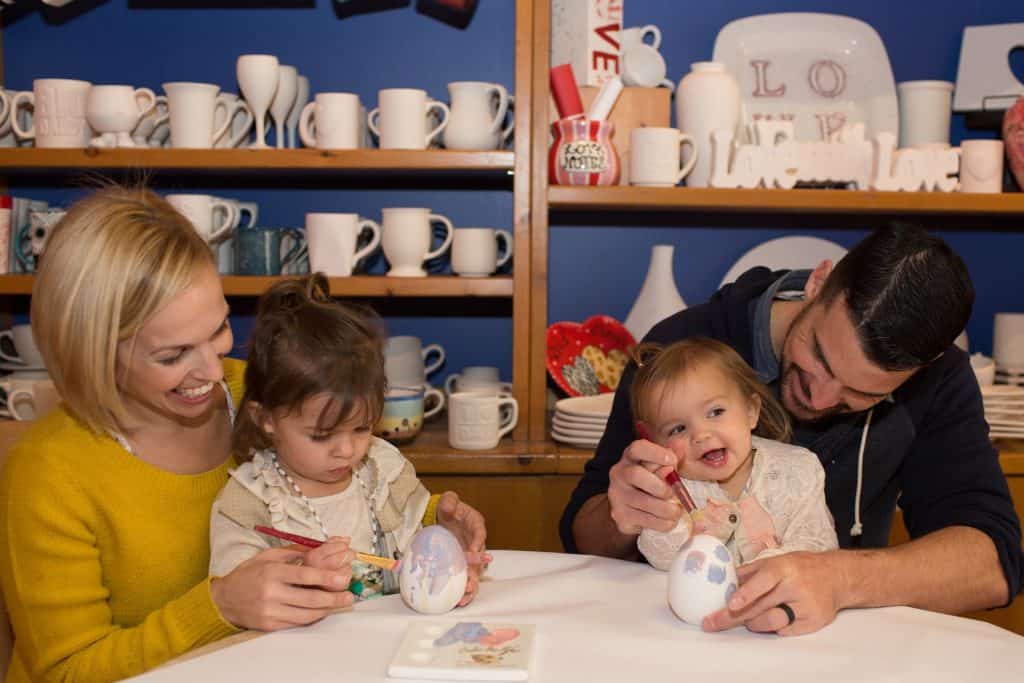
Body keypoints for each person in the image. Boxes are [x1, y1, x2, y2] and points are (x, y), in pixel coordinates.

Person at [0, 186, 485, 682]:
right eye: (173, 356)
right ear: (91, 351)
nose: (213, 370)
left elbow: (358, 490)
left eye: (220, 329)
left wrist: (435, 521)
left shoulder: (269, 397)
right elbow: (64, 672)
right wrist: (219, 606)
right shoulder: (49, 476)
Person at [561, 223, 1023, 636]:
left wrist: (840, 579)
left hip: (832, 645)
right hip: (677, 638)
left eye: (861, 394)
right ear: (818, 282)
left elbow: (993, 563)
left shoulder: (940, 381)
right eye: (818, 356)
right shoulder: (682, 347)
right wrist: (619, 515)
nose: (819, 399)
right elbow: (582, 535)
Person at [209, 274, 490, 606]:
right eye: (321, 435)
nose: (346, 450)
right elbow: (237, 602)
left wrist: (448, 570)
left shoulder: (382, 469)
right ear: (266, 418)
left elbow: (419, 546)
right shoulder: (248, 504)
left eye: (361, 428)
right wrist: (302, 574)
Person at [630, 338, 838, 571]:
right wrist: (666, 510)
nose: (701, 435)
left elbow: (819, 547)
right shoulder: (672, 490)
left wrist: (768, 566)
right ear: (656, 443)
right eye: (678, 429)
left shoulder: (798, 470)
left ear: (751, 411)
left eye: (715, 412)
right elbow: (663, 558)